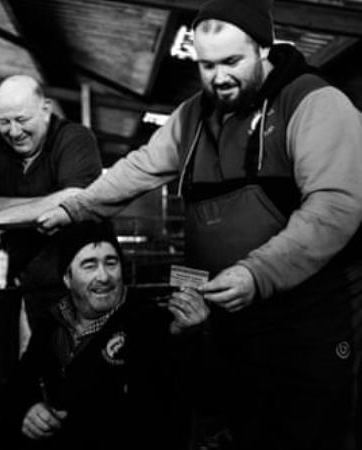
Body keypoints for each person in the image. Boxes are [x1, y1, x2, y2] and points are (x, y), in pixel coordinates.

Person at [38, 0, 362, 449]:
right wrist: (80, 207)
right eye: (207, 65)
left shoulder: (313, 103)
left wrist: (256, 273)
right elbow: (142, 167)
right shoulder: (193, 114)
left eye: (232, 61)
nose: (219, 77)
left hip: (306, 323)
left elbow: (335, 209)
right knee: (235, 427)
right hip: (228, 324)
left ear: (264, 50)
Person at [0, 221, 208, 449]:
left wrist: (187, 335)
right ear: (67, 277)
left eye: (111, 263)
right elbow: (18, 383)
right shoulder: (54, 321)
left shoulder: (148, 319)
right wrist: (27, 410)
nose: (104, 276)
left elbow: (180, 392)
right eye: (89, 265)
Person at [0, 74, 102, 326]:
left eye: (22, 120)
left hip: (76, 276)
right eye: (4, 122)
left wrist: (4, 218)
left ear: (45, 110)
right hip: (18, 276)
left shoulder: (76, 138)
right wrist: (41, 206)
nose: (14, 131)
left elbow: (77, 197)